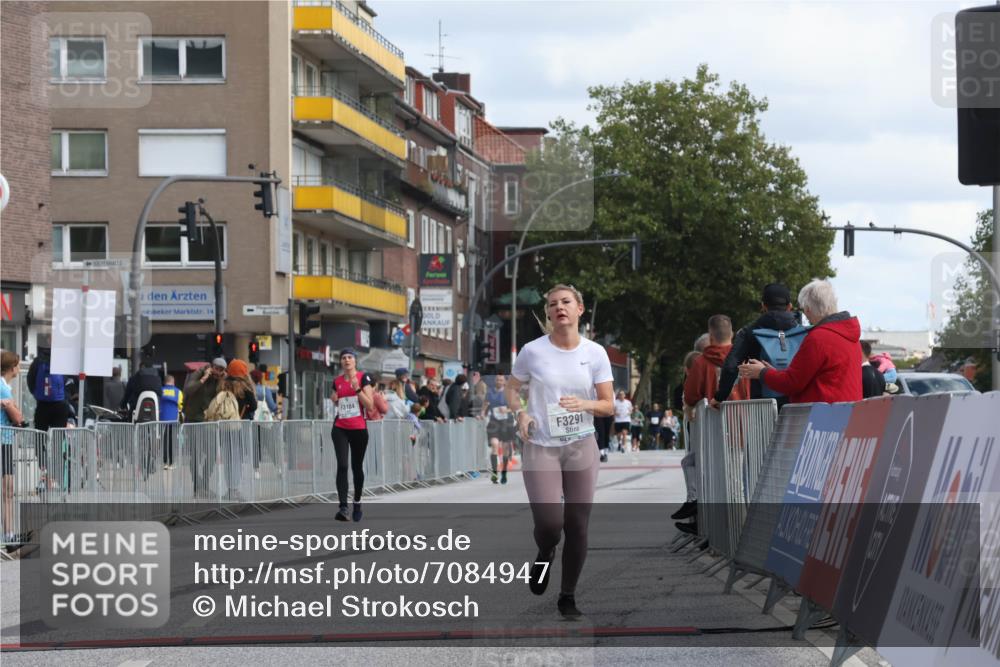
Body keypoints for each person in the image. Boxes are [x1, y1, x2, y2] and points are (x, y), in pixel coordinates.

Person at [507, 284, 614, 619]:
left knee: (578, 524)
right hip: (541, 446)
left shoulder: (595, 352)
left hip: (581, 444)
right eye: (553, 304)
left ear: (579, 309)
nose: (559, 308)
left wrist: (584, 404)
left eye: (566, 302)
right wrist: (521, 412)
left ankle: (567, 596)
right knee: (551, 523)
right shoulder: (532, 351)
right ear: (549, 313)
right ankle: (545, 550)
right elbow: (512, 389)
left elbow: (608, 405)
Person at [675, 315, 751, 533]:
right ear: (733, 333)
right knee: (736, 482)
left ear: (710, 335)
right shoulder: (744, 358)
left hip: (711, 431)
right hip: (739, 427)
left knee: (712, 482)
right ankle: (737, 530)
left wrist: (691, 407)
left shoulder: (701, 362)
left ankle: (719, 531)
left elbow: (690, 395)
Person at [740, 279, 863, 404]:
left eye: (804, 309)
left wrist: (762, 373)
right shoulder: (851, 337)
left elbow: (792, 383)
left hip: (822, 417)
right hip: (848, 414)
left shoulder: (819, 338)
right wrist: (774, 373)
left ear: (809, 308)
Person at [715, 283, 806, 409]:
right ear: (789, 306)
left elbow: (730, 367)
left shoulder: (749, 332)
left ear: (763, 306)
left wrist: (720, 397)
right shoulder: (804, 332)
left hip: (763, 406)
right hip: (798, 404)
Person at [331, 348, 375, 522]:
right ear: (341, 362)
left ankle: (357, 501)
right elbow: (337, 400)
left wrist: (358, 390)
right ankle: (343, 507)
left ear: (355, 361)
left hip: (358, 428)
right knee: (342, 465)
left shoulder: (364, 378)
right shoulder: (337, 381)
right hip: (340, 427)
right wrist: (334, 400)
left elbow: (370, 405)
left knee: (356, 467)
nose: (346, 360)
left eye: (350, 357)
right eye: (343, 358)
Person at [183, 358, 226, 498]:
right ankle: (197, 486)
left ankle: (205, 484)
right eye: (216, 368)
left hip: (209, 421)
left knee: (212, 453)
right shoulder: (200, 373)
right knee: (195, 455)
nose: (217, 371)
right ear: (211, 366)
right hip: (193, 419)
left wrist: (222, 380)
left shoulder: (220, 380)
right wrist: (204, 378)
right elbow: (188, 390)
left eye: (221, 369)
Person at [1, 351, 28, 549]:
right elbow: (19, 419)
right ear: (12, 368)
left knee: (8, 491)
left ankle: (9, 534)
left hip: (6, 441)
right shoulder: (3, 388)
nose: (19, 368)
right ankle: (8, 534)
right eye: (18, 365)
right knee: (7, 491)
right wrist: (16, 411)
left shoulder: (5, 388)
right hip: (4, 442)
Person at [27, 346, 70, 432]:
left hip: (42, 405)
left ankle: (40, 445)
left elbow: (30, 380)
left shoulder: (38, 361)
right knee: (58, 437)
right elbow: (69, 381)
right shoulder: (63, 361)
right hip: (60, 405)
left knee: (40, 437)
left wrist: (37, 394)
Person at [484, 374, 516, 484]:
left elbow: (515, 407)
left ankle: (504, 472)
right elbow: (485, 405)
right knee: (494, 445)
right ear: (495, 381)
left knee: (506, 449)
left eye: (501, 380)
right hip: (494, 422)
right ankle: (494, 473)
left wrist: (506, 411)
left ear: (504, 382)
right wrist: (481, 414)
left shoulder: (509, 392)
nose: (498, 381)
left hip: (506, 423)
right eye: (497, 379)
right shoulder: (489, 392)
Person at [122, 354, 163, 421]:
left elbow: (127, 394)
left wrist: (123, 405)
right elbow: (160, 394)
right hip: (154, 409)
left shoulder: (134, 378)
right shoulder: (158, 378)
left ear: (141, 368)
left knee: (131, 415)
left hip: (136, 408)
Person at [159, 375, 183, 470]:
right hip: (173, 420)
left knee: (164, 440)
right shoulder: (178, 392)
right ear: (173, 382)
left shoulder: (160, 390)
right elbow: (180, 406)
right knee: (172, 441)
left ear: (165, 382)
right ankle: (172, 463)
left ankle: (164, 462)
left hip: (162, 420)